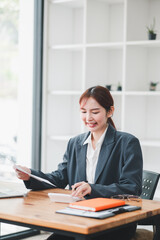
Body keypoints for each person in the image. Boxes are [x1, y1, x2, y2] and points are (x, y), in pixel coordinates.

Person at [14, 86, 143, 240]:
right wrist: (30, 175)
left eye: (95, 112)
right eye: (83, 111)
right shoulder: (75, 143)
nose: (88, 117)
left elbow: (131, 187)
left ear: (110, 111)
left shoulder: (127, 143)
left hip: (112, 221)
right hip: (79, 216)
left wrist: (92, 189)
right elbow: (59, 178)